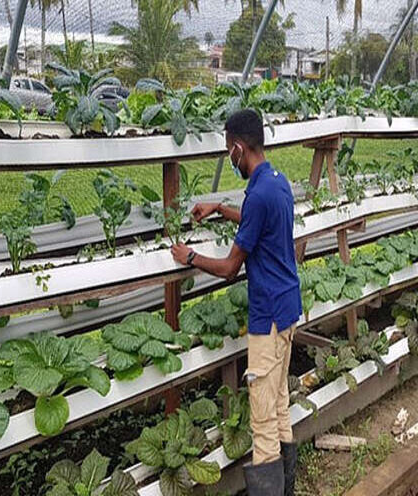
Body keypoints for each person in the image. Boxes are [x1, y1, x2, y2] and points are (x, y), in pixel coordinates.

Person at [171, 109, 301, 496]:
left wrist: (190, 258)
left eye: (229, 150)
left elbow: (229, 267)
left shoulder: (259, 193)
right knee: (278, 405)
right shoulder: (276, 182)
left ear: (239, 148)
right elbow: (256, 220)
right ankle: (286, 489)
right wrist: (220, 208)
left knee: (262, 421)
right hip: (288, 309)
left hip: (268, 318)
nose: (230, 157)